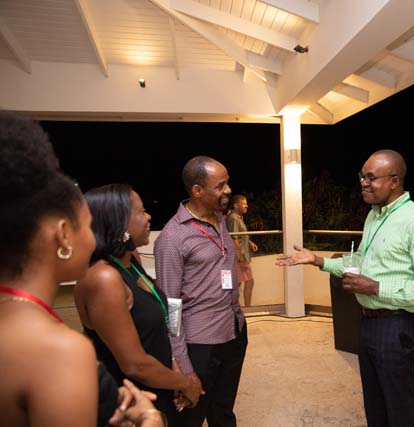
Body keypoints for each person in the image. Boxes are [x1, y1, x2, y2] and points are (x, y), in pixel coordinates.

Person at [0, 111, 164, 427]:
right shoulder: (60, 350)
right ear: (64, 236)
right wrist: (149, 416)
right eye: (88, 226)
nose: (94, 238)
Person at [276, 149, 414, 427]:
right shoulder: (374, 216)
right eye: (362, 176)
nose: (363, 183)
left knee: (399, 411)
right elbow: (362, 263)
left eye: (371, 177)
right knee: (376, 409)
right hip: (367, 323)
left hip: (397, 326)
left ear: (394, 181)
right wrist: (319, 261)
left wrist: (375, 287)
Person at [74, 183, 204, 426]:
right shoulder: (104, 278)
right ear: (119, 222)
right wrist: (187, 383)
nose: (148, 217)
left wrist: (174, 372)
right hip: (132, 405)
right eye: (141, 211)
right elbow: (135, 365)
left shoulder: (130, 261)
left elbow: (154, 333)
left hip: (161, 387)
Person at [154, 156, 247, 427]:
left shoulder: (219, 218)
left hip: (234, 333)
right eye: (220, 186)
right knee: (190, 418)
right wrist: (182, 364)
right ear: (197, 190)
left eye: (227, 183)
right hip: (200, 346)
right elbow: (171, 307)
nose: (228, 190)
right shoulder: (172, 238)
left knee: (223, 412)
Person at [226, 194, 259, 306]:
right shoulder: (233, 218)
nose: (246, 206)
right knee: (248, 282)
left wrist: (249, 242)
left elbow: (239, 235)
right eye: (244, 204)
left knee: (238, 283)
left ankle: (235, 308)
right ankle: (246, 308)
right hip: (239, 257)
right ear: (236, 205)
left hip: (240, 256)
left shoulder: (238, 218)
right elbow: (233, 238)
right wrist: (241, 258)